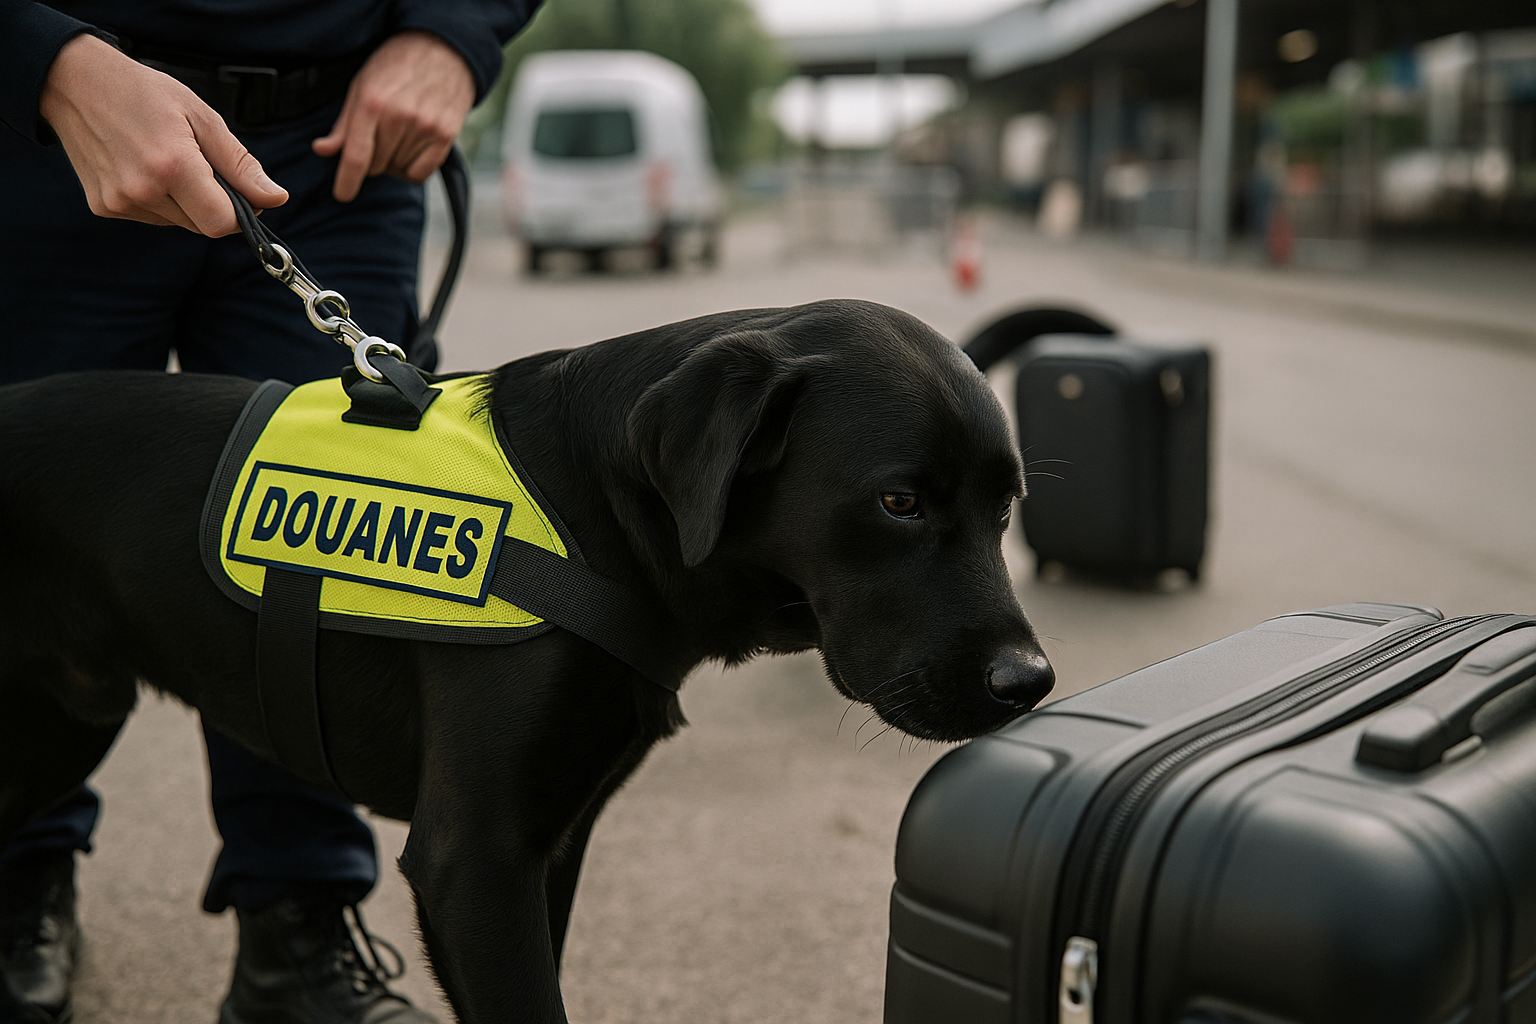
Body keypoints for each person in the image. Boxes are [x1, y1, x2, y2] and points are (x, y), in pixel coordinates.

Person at [0, 2, 539, 1021]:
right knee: (22, 528)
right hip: (41, 130)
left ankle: (296, 928)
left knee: (327, 555)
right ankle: (15, 877)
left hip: (333, 149)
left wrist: (452, 33)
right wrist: (42, 58)